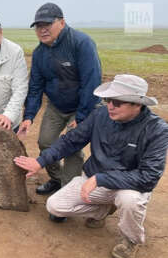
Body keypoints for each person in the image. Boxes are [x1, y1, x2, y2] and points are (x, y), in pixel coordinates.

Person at [14, 74, 168, 258]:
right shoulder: (101, 114)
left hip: (128, 185)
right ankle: (104, 209)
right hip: (95, 178)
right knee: (55, 206)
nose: (110, 105)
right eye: (108, 99)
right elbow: (72, 140)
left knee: (130, 201)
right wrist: (40, 161)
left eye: (117, 102)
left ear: (137, 104)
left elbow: (148, 177)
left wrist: (101, 178)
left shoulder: (156, 130)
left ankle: (131, 239)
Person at [17, 2, 102, 195]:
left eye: (47, 24)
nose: (42, 29)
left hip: (82, 106)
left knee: (72, 147)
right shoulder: (39, 53)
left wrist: (81, 117)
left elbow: (92, 81)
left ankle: (68, 193)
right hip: (56, 106)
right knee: (45, 142)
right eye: (38, 26)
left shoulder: (81, 43)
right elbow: (36, 87)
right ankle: (56, 179)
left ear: (62, 23)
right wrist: (29, 115)